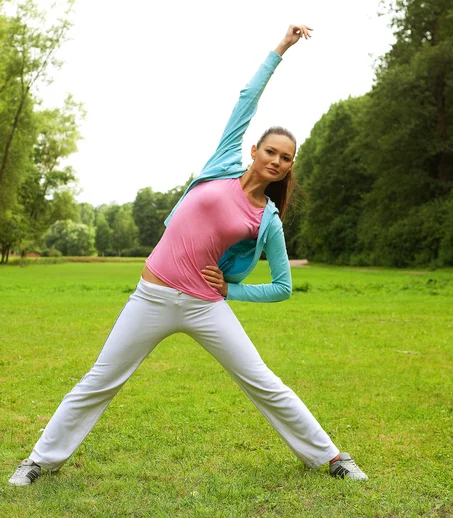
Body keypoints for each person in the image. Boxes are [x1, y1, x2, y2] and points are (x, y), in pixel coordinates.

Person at [8, 24, 367, 487]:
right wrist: (281, 48)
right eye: (271, 151)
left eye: (287, 158)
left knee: (263, 382)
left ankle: (333, 458)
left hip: (205, 305)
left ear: (290, 166)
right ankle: (38, 462)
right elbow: (246, 98)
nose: (277, 161)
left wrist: (233, 289)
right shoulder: (221, 164)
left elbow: (283, 287)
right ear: (255, 150)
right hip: (151, 297)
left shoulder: (268, 220)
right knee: (99, 380)